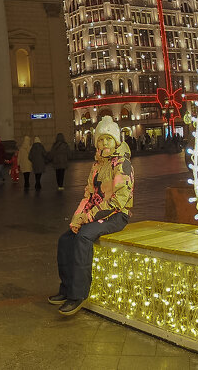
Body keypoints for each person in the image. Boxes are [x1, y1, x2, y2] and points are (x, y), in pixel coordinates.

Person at [50, 116, 134, 316]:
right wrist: (77, 217)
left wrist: (89, 218)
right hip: (96, 213)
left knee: (84, 236)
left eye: (109, 139)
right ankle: (67, 288)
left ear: (116, 141)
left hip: (117, 214)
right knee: (65, 239)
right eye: (101, 139)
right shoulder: (97, 165)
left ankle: (78, 294)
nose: (105, 143)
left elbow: (118, 200)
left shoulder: (122, 164)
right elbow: (88, 195)